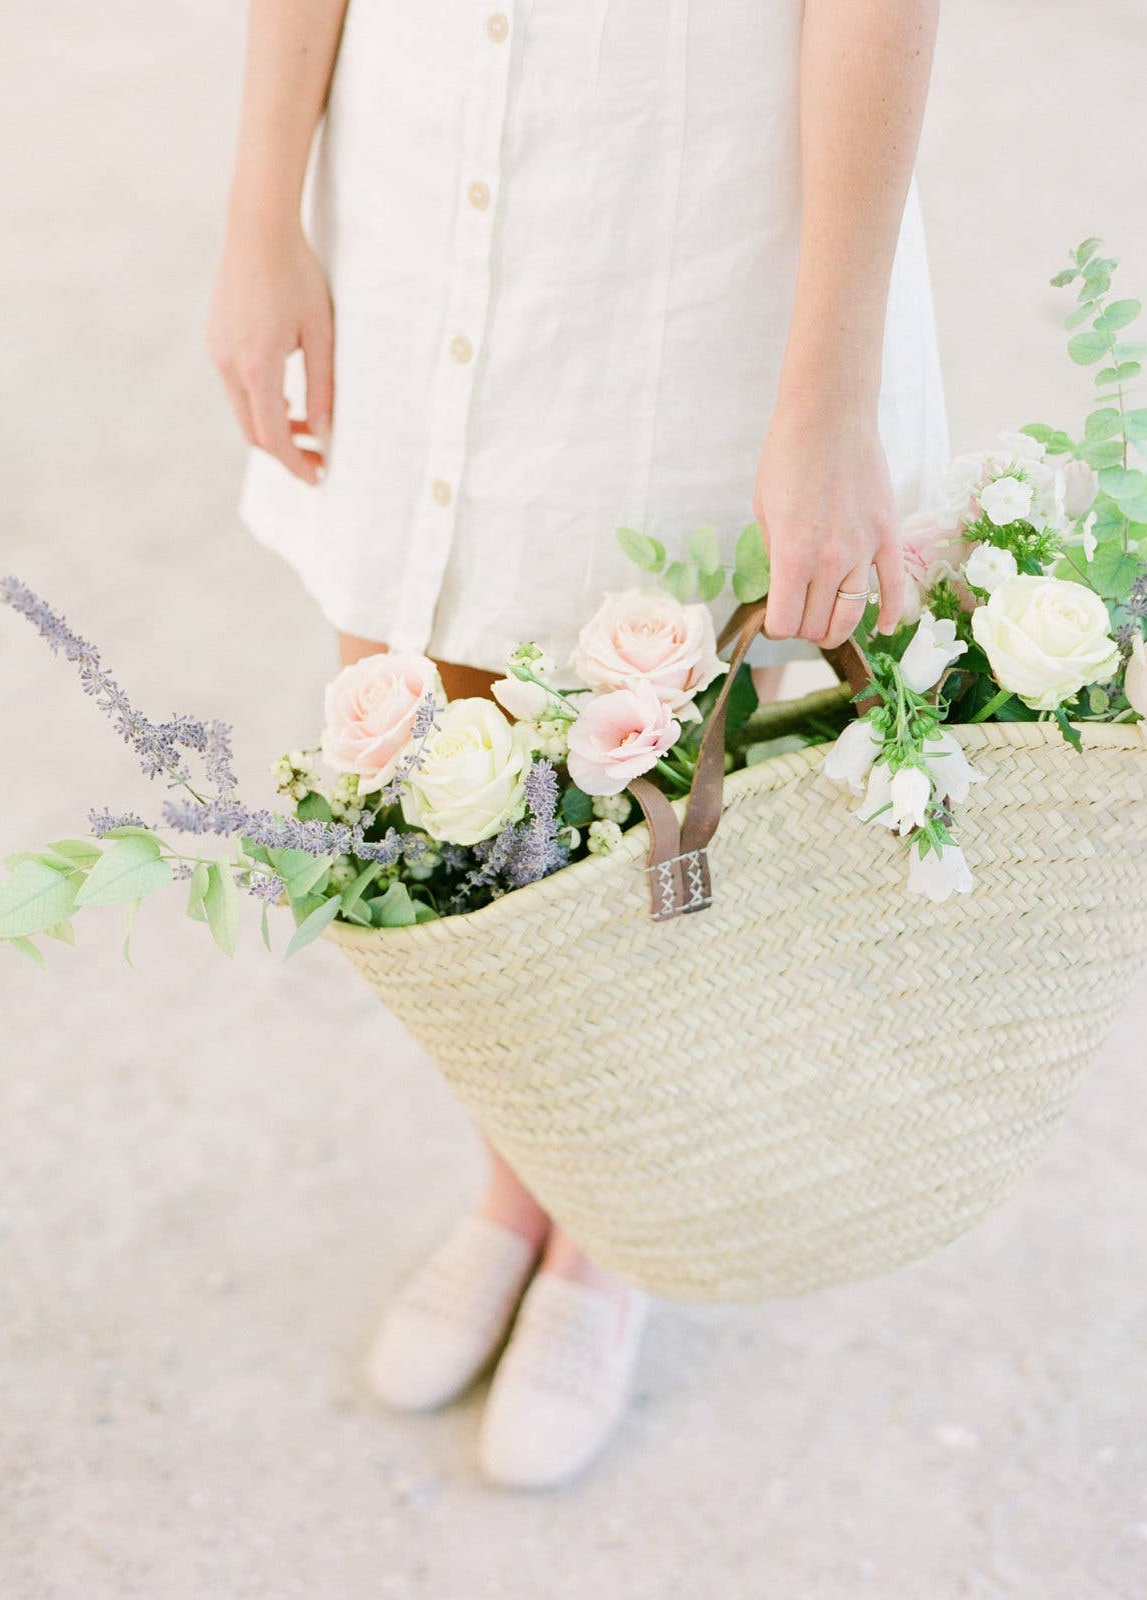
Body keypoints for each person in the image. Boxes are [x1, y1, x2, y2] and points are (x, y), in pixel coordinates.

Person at [207, 0, 948, 1489]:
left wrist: (830, 398)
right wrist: (259, 209)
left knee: (665, 784)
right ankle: (516, 1194)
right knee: (434, 757)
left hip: (689, 207)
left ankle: (608, 1241)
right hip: (416, 175)